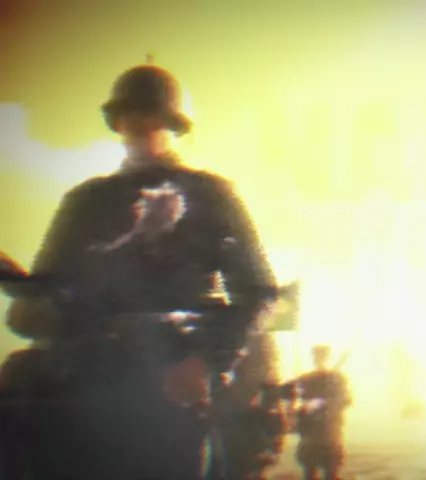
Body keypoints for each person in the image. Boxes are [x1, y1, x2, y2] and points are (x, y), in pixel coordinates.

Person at [3, 60, 278, 479]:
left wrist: (207, 362)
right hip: (96, 374)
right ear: (118, 123)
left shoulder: (210, 194)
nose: (142, 126)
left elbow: (259, 292)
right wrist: (14, 280)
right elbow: (49, 290)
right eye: (131, 115)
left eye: (152, 116)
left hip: (178, 370)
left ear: (172, 123)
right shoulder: (86, 200)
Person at [286, 344, 352, 480]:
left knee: (331, 471)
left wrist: (323, 403)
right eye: (317, 356)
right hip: (311, 430)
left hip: (330, 430)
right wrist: (298, 407)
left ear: (327, 358)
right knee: (310, 470)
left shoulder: (337, 379)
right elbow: (291, 395)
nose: (319, 359)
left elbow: (346, 400)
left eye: (322, 356)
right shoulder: (306, 379)